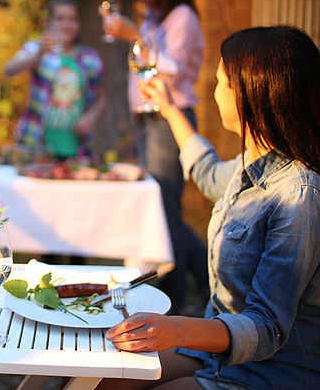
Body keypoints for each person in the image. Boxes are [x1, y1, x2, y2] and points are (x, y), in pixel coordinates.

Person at [97, 26, 320, 390]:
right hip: (213, 355)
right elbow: (206, 171)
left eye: (220, 82)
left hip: (272, 374)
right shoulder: (249, 166)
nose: (213, 92)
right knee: (96, 380)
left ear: (249, 95)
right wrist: (169, 109)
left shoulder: (299, 195)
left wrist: (174, 328)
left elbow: (266, 328)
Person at [99, 0, 208, 313]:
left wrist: (135, 36)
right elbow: (141, 62)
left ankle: (175, 307)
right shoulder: (154, 17)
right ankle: (204, 284)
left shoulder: (182, 17)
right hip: (148, 120)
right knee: (163, 210)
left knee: (165, 212)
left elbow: (172, 67)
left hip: (169, 119)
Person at [4, 0, 107, 160]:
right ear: (48, 23)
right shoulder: (37, 50)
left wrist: (92, 117)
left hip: (78, 148)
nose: (67, 25)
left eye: (72, 20)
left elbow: (103, 98)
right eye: (60, 19)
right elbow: (9, 69)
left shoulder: (89, 58)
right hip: (37, 146)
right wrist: (38, 53)